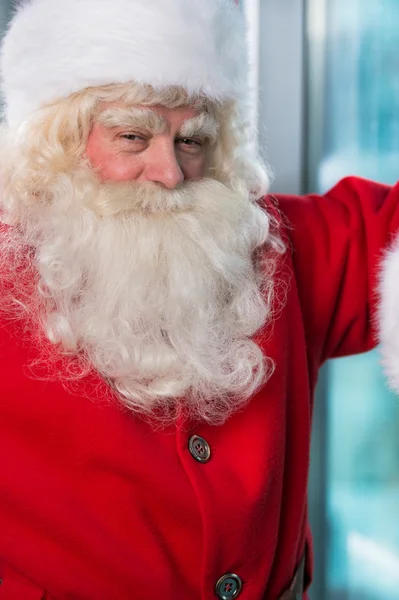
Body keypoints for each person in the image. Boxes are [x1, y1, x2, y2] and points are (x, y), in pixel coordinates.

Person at [0, 1, 398, 599]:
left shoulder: (272, 246)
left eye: (193, 139)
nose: (171, 172)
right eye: (133, 135)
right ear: (55, 143)